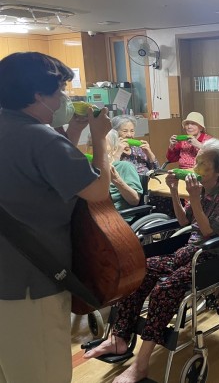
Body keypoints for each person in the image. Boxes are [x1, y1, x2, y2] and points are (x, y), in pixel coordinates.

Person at [84, 138, 219, 383]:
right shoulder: (200, 188)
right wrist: (174, 191)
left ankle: (141, 364)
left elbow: (209, 233)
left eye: (203, 164)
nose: (195, 167)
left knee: (164, 289)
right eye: (196, 162)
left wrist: (195, 199)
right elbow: (183, 221)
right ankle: (119, 338)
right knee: (141, 272)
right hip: (191, 250)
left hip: (214, 255)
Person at [0, 52, 112, 383]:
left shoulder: (11, 127)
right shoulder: (40, 137)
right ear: (38, 94)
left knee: (12, 368)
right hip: (33, 280)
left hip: (6, 274)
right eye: (60, 89)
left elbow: (42, 171)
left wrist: (73, 133)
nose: (64, 97)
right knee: (43, 371)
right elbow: (97, 191)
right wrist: (100, 139)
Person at [105, 129, 143, 218]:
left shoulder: (124, 167)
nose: (95, 149)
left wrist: (116, 180)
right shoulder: (89, 169)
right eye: (91, 144)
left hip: (117, 217)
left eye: (101, 144)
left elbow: (135, 200)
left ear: (114, 149)